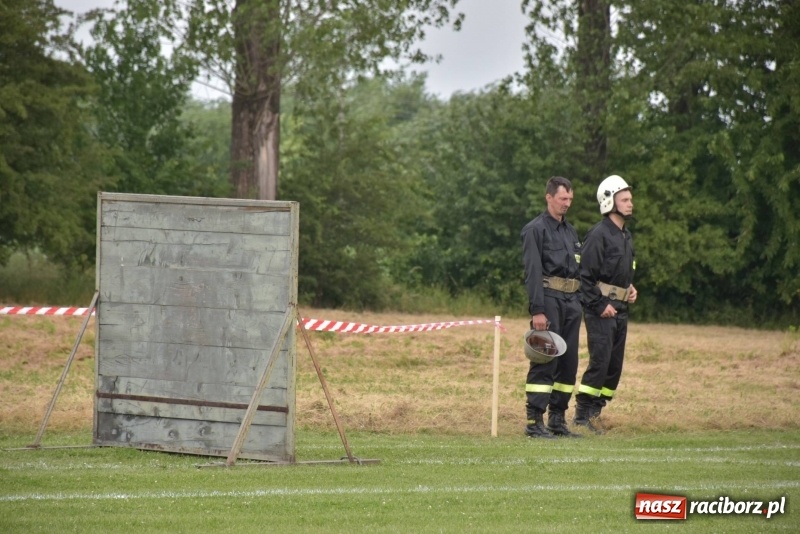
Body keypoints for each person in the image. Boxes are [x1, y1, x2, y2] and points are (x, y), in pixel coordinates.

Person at [574, 175, 638, 434]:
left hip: (621, 310)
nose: (630, 204)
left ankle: (597, 411)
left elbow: (623, 271)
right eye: (624, 199)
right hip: (600, 311)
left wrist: (630, 288)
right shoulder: (598, 234)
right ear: (609, 202)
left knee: (614, 366)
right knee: (600, 362)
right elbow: (583, 276)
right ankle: (581, 416)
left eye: (630, 199)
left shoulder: (626, 235)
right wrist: (600, 305)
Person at [520, 176, 583, 439]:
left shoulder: (571, 232)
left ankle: (557, 419)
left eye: (570, 199)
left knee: (568, 364)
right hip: (548, 301)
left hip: (571, 302)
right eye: (562, 199)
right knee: (544, 360)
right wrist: (537, 310)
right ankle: (535, 421)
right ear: (549, 198)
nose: (567, 203)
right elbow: (533, 272)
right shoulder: (535, 230)